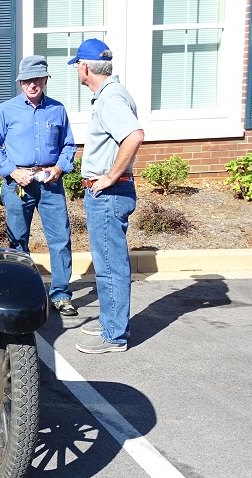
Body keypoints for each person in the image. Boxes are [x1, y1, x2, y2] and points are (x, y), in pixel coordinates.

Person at [0, 55, 78, 316]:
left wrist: (59, 168)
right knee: (17, 241)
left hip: (50, 183)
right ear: (20, 82)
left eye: (37, 79)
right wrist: (13, 172)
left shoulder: (58, 110)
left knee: (60, 238)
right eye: (26, 80)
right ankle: (21, 292)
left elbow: (68, 145)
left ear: (45, 80)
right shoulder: (6, 110)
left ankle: (60, 294)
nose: (32, 85)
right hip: (19, 183)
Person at [68, 39, 144, 354]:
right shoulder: (112, 94)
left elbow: (134, 135)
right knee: (108, 263)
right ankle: (110, 325)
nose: (77, 71)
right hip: (110, 191)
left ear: (85, 67)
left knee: (110, 265)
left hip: (109, 192)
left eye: (77, 66)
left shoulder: (110, 98)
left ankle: (114, 337)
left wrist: (110, 176)